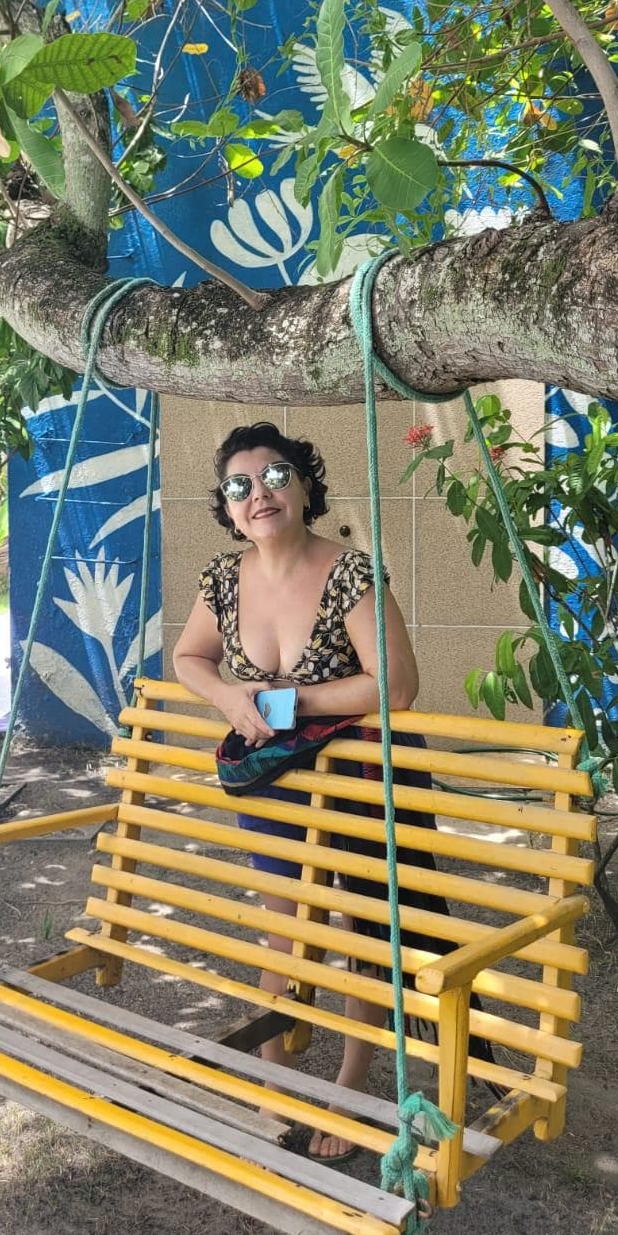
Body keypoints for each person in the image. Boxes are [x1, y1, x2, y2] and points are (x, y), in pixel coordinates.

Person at [172, 420, 420, 1161]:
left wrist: (288, 700)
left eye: (276, 475)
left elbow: (396, 686)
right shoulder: (222, 579)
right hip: (274, 783)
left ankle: (349, 1089)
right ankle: (275, 1086)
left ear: (306, 485)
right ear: (227, 506)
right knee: (283, 929)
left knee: (357, 931)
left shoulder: (351, 572)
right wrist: (228, 697)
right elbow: (189, 657)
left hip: (355, 776)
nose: (260, 493)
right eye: (239, 485)